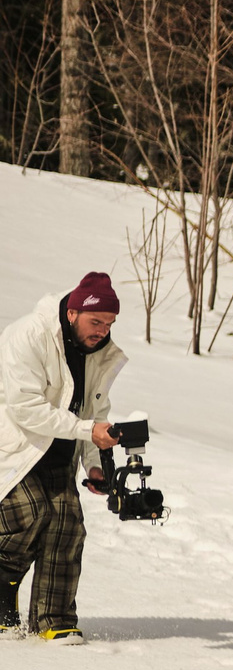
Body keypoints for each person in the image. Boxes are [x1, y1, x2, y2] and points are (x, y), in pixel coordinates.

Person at [0, 272, 125, 644]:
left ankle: (53, 619)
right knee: (28, 514)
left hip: (59, 452)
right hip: (13, 449)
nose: (103, 331)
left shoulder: (99, 353)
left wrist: (95, 464)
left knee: (67, 527)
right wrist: (87, 430)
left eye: (109, 323)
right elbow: (24, 408)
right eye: (96, 321)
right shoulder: (28, 335)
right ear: (72, 313)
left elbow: (95, 411)